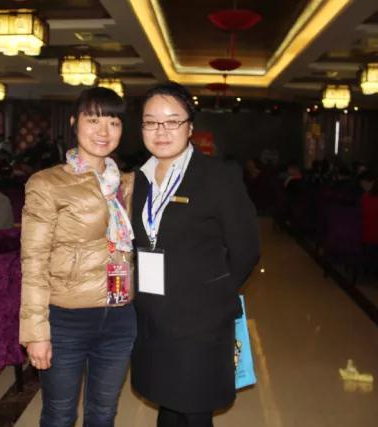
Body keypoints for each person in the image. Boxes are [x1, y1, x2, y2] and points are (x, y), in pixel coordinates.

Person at [130, 82, 259, 427]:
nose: (161, 131)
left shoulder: (218, 176)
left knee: (195, 405)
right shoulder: (138, 180)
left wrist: (213, 293)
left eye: (172, 121)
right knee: (167, 400)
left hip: (199, 320)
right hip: (152, 315)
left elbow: (246, 249)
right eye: (151, 122)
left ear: (189, 127)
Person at [20, 87, 136, 427]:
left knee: (104, 413)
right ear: (74, 123)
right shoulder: (47, 183)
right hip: (66, 319)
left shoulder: (127, 184)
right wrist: (36, 332)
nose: (104, 131)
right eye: (94, 120)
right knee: (59, 415)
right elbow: (34, 262)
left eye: (113, 122)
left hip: (119, 315)